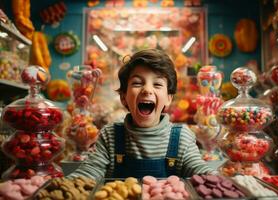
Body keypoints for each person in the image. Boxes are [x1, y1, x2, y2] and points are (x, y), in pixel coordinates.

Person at [69, 49, 217, 179]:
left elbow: (199, 170)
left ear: (168, 98)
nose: (147, 90)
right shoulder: (110, 135)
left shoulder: (181, 138)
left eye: (157, 84)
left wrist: (218, 180)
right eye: (137, 83)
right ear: (123, 97)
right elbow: (89, 171)